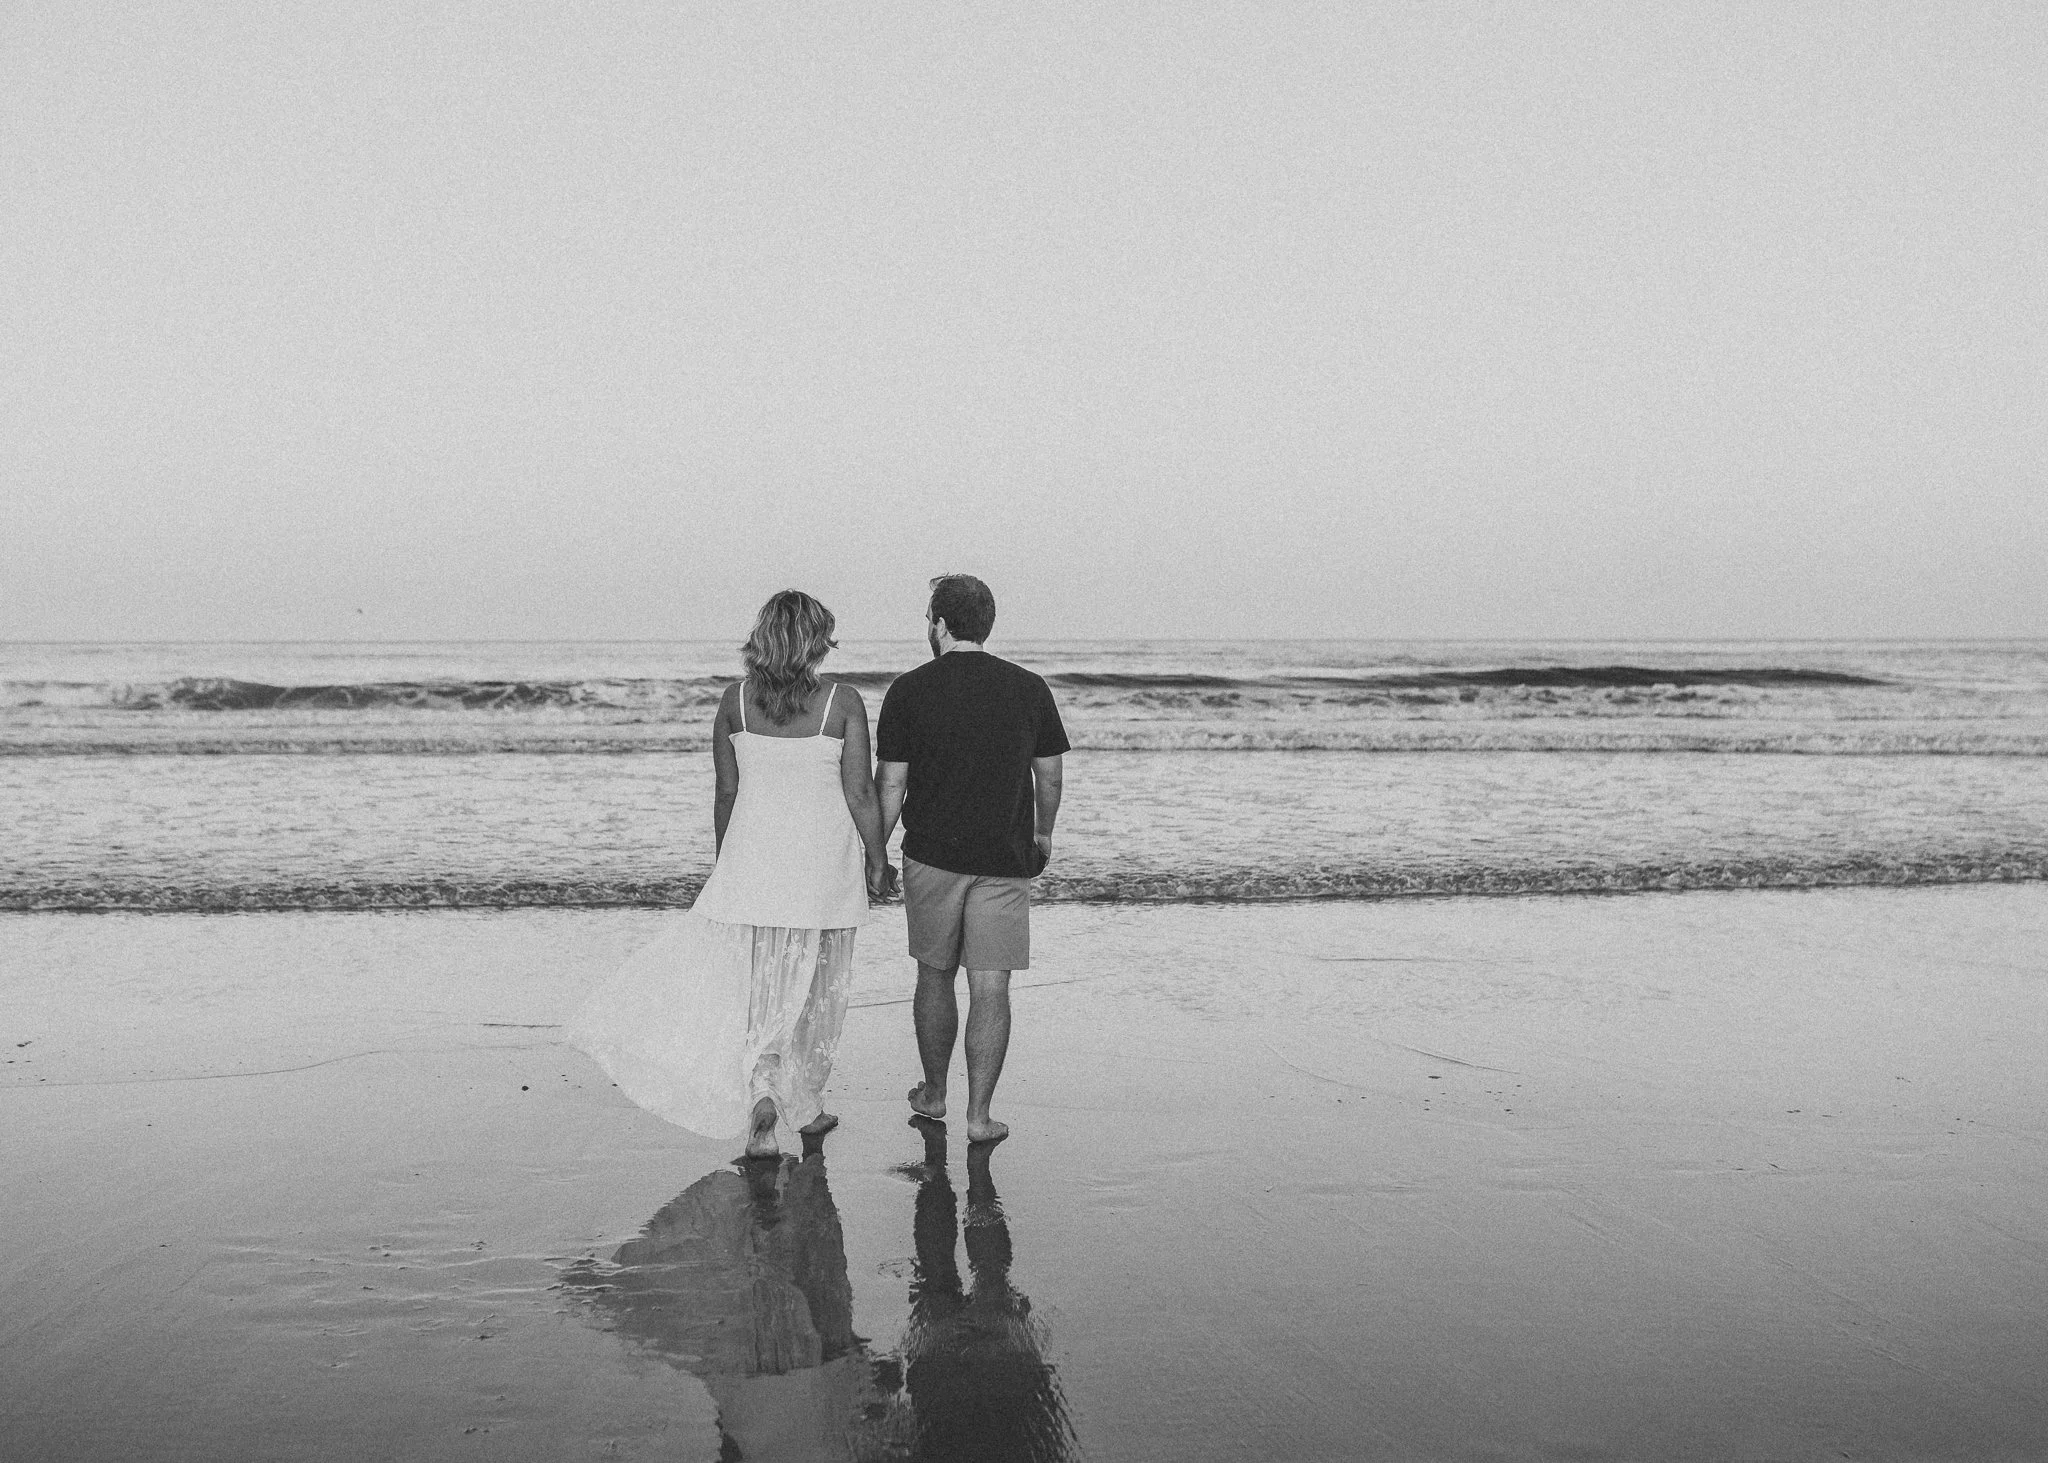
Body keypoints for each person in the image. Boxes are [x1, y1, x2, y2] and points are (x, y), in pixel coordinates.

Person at [568, 590, 895, 1158]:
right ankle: (805, 1104)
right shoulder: (842, 701)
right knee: (816, 987)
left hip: (752, 861)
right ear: (816, 642)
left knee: (760, 986)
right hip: (821, 865)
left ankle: (762, 1094)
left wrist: (727, 863)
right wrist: (876, 857)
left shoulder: (734, 702)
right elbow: (860, 791)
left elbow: (726, 793)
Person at [875, 574, 1069, 1145]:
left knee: (934, 974)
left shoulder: (909, 689)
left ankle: (934, 1093)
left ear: (939, 623)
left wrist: (874, 853)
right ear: (986, 624)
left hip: (930, 857)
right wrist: (1044, 834)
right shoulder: (1029, 688)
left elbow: (890, 784)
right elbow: (1050, 773)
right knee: (991, 986)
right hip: (1005, 857)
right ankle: (979, 1116)